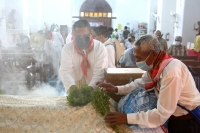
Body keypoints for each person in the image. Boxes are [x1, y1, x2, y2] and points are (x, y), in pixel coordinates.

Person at [97, 34, 200, 133]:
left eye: (139, 58)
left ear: (153, 54)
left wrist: (126, 118)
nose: (136, 62)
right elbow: (139, 83)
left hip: (186, 120)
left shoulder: (171, 73)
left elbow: (161, 114)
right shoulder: (156, 66)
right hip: (173, 115)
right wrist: (116, 89)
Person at [59, 19, 108, 92]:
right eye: (78, 36)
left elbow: (99, 74)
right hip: (74, 88)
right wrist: (73, 90)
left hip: (95, 90)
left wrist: (88, 91)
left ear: (91, 33)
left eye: (85, 35)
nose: (82, 39)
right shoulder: (68, 48)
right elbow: (65, 72)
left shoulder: (100, 48)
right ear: (73, 34)